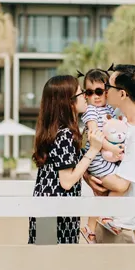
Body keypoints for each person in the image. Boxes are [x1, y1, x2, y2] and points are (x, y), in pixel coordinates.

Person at [83, 64, 135, 244]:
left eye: (108, 86)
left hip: (120, 224)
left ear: (123, 94)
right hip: (108, 218)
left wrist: (89, 173)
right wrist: (87, 175)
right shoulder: (125, 111)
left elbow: (122, 184)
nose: (105, 90)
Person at [28, 75, 104, 244]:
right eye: (81, 93)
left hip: (47, 210)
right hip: (57, 213)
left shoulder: (55, 131)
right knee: (57, 263)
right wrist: (93, 150)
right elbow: (67, 181)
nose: (86, 96)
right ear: (67, 102)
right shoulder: (65, 135)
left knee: (44, 262)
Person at [78, 69, 128, 244]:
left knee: (101, 196)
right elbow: (94, 135)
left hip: (107, 158)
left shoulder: (110, 109)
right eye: (89, 92)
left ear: (107, 91)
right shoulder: (91, 112)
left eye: (99, 91)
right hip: (98, 161)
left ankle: (90, 229)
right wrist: (112, 149)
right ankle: (107, 216)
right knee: (120, 186)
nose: (95, 96)